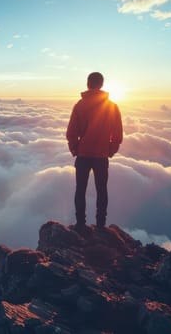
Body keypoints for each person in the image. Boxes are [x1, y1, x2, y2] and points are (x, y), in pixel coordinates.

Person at [66, 72, 123, 229]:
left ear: (88, 84)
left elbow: (71, 132)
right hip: (101, 156)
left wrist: (75, 148)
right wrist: (110, 150)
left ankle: (80, 224)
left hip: (83, 155)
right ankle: (100, 225)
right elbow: (117, 133)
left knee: (80, 190)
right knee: (102, 190)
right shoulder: (112, 107)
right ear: (102, 84)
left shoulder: (80, 105)